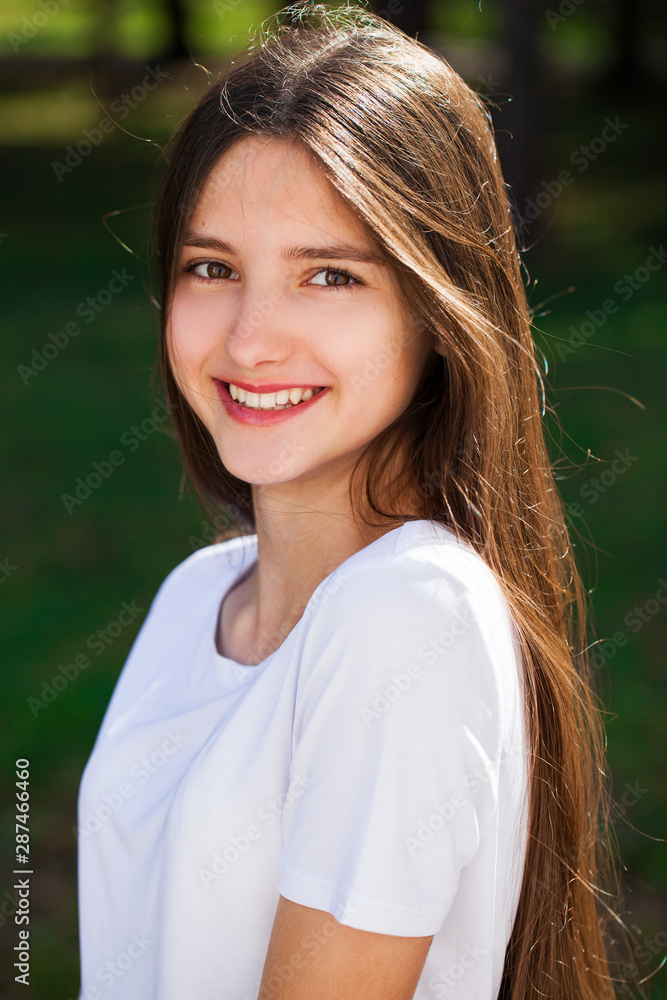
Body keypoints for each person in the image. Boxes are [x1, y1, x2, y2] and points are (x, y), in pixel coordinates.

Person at [75, 3, 641, 998]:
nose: (250, 341)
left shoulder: (405, 615)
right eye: (212, 267)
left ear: (437, 307)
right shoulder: (193, 598)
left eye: (328, 276)